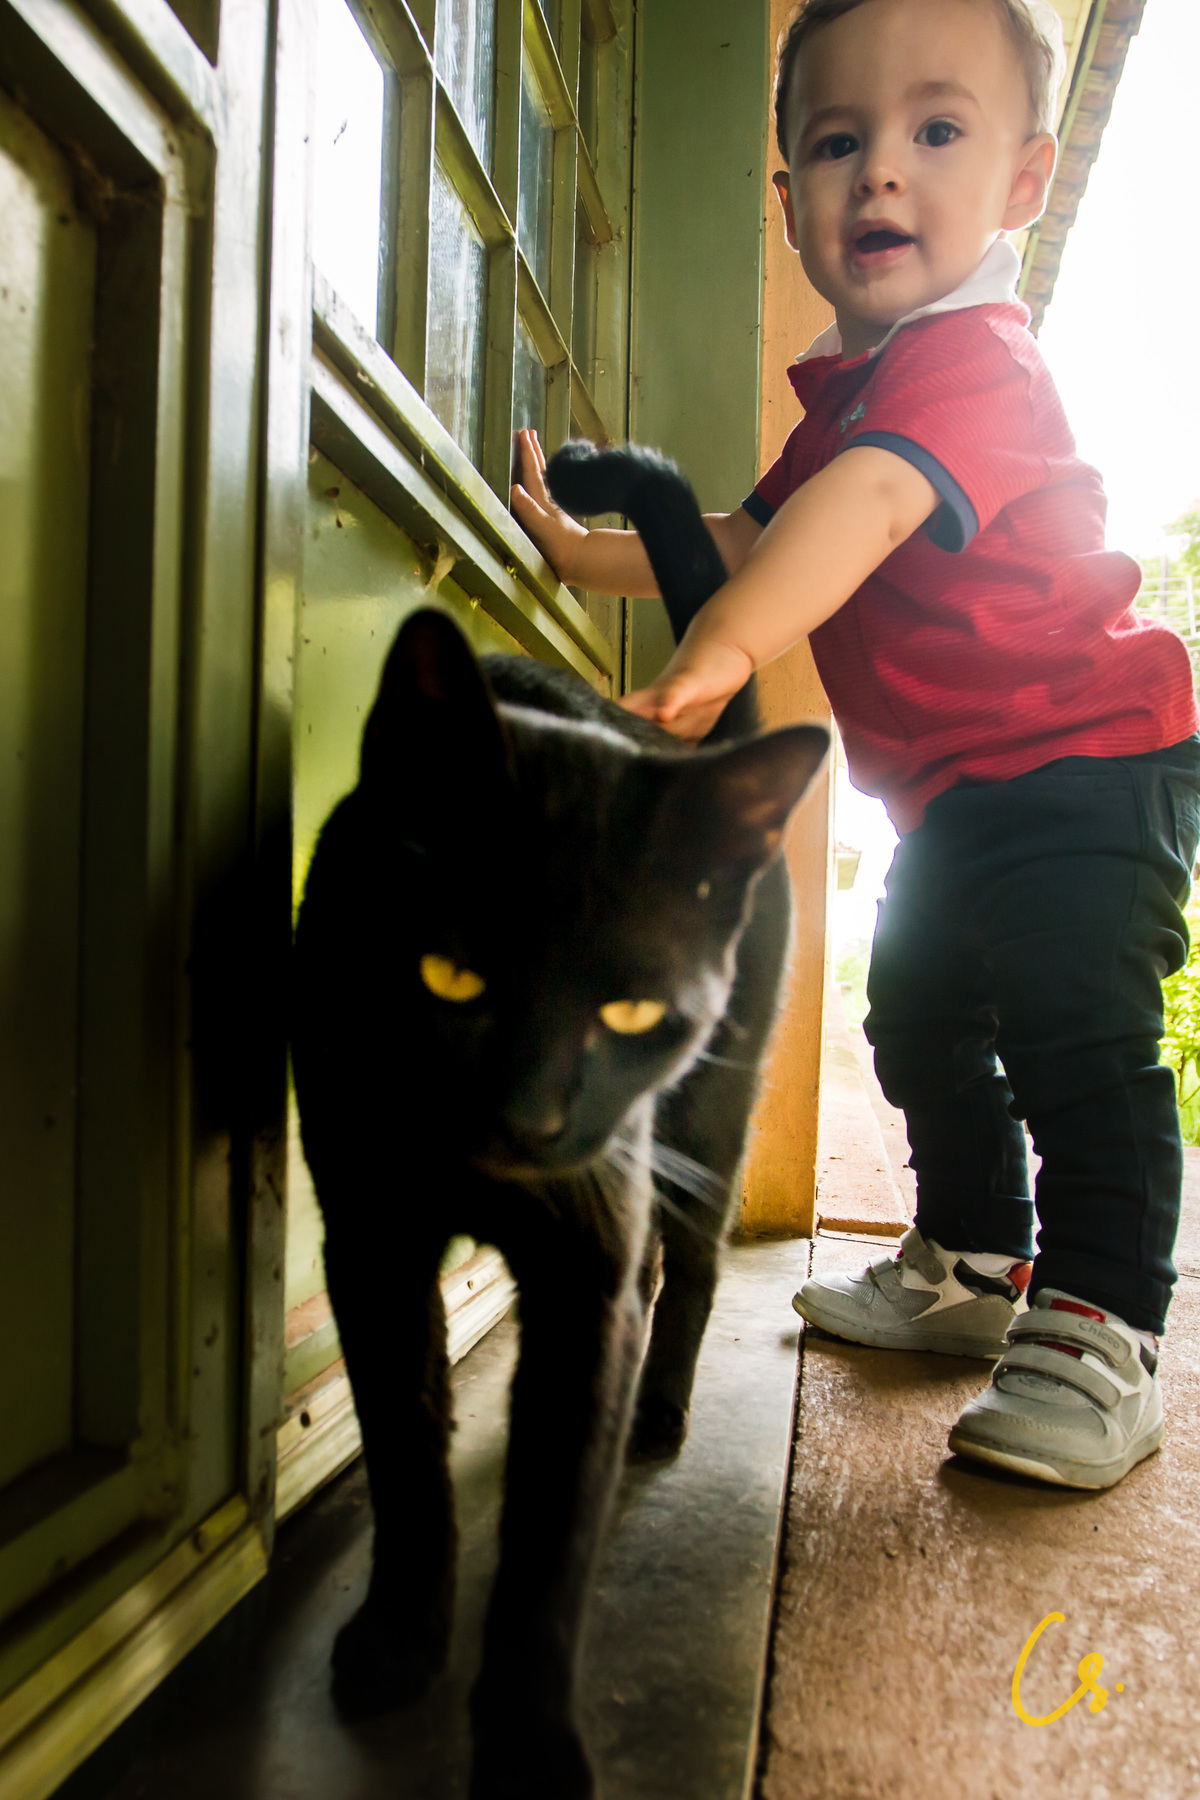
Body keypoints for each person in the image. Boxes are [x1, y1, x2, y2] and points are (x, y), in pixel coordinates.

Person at [508, 0, 1200, 1492]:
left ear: (1020, 183)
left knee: (1080, 1036)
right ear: (793, 204)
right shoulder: (854, 390)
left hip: (1093, 761)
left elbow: (854, 521)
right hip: (959, 789)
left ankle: (1101, 1326)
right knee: (923, 1013)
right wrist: (590, 557)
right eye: (838, 143)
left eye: (935, 133)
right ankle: (970, 1264)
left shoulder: (972, 363)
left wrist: (721, 651)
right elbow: (751, 535)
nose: (880, 174)